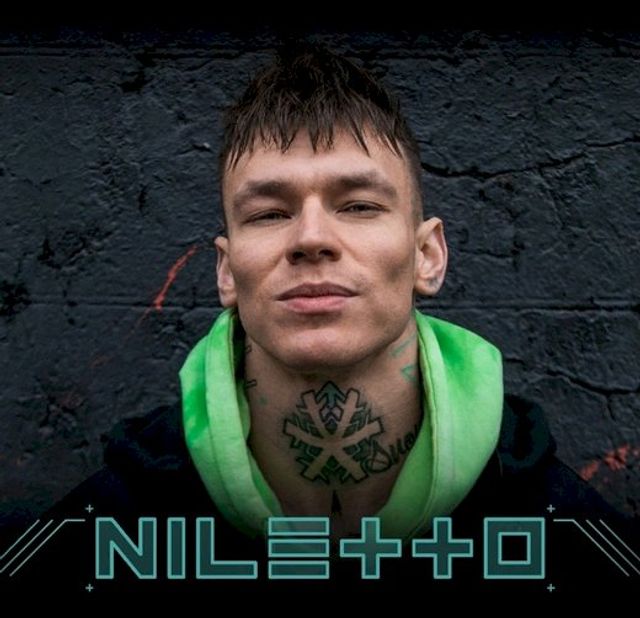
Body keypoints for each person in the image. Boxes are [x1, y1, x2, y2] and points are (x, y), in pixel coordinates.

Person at [1, 41, 637, 603]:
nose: (311, 238)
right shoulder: (109, 532)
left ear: (427, 256)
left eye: (358, 205)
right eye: (269, 213)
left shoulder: (563, 534)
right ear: (227, 272)